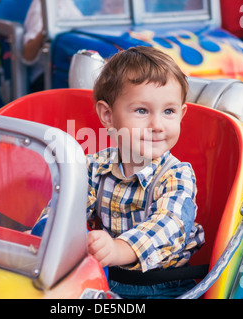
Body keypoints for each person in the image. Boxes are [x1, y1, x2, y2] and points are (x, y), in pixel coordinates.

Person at [86, 46, 205, 298]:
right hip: (101, 277)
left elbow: (168, 223)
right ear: (108, 115)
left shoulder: (177, 175)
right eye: (142, 111)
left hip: (163, 286)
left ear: (181, 115)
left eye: (169, 112)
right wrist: (44, 230)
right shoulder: (94, 166)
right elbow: (65, 203)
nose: (158, 125)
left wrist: (119, 248)